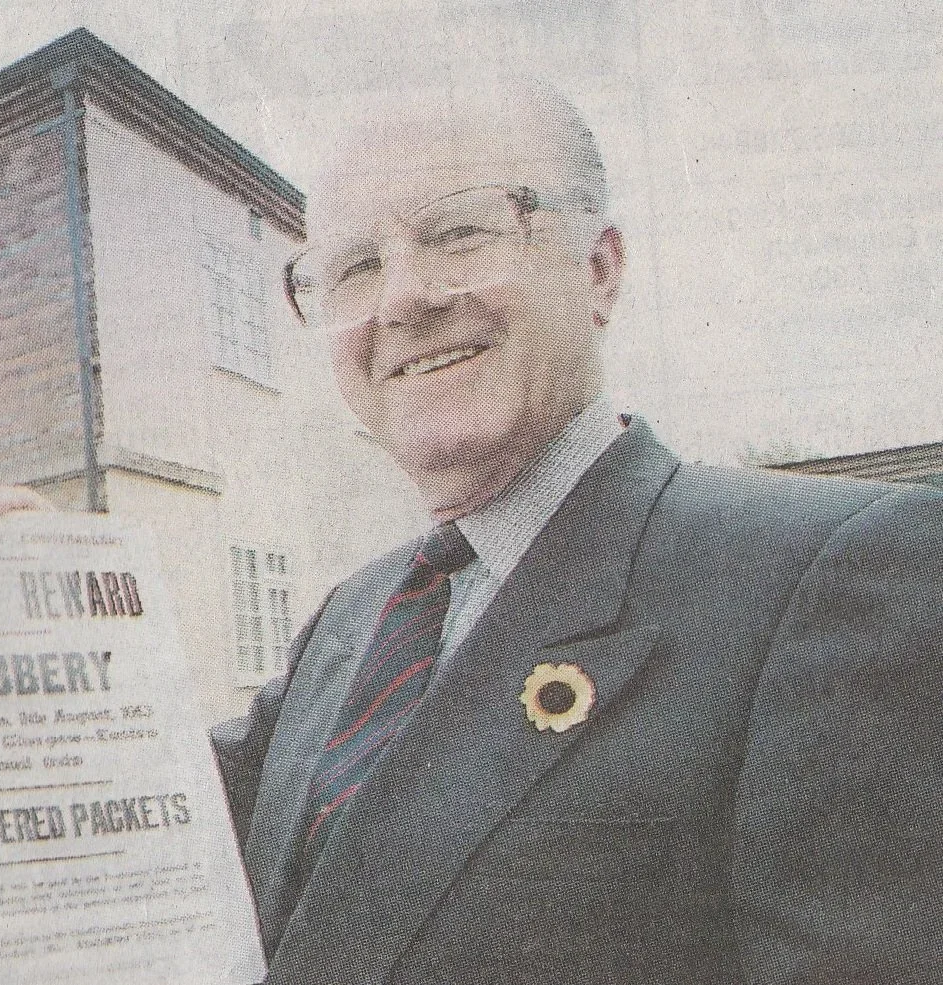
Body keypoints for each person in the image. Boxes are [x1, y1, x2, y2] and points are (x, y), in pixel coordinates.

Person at [206, 80, 943, 985]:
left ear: (599, 269)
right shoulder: (349, 617)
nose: (402, 297)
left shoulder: (832, 572)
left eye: (458, 231)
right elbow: (161, 820)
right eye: (353, 266)